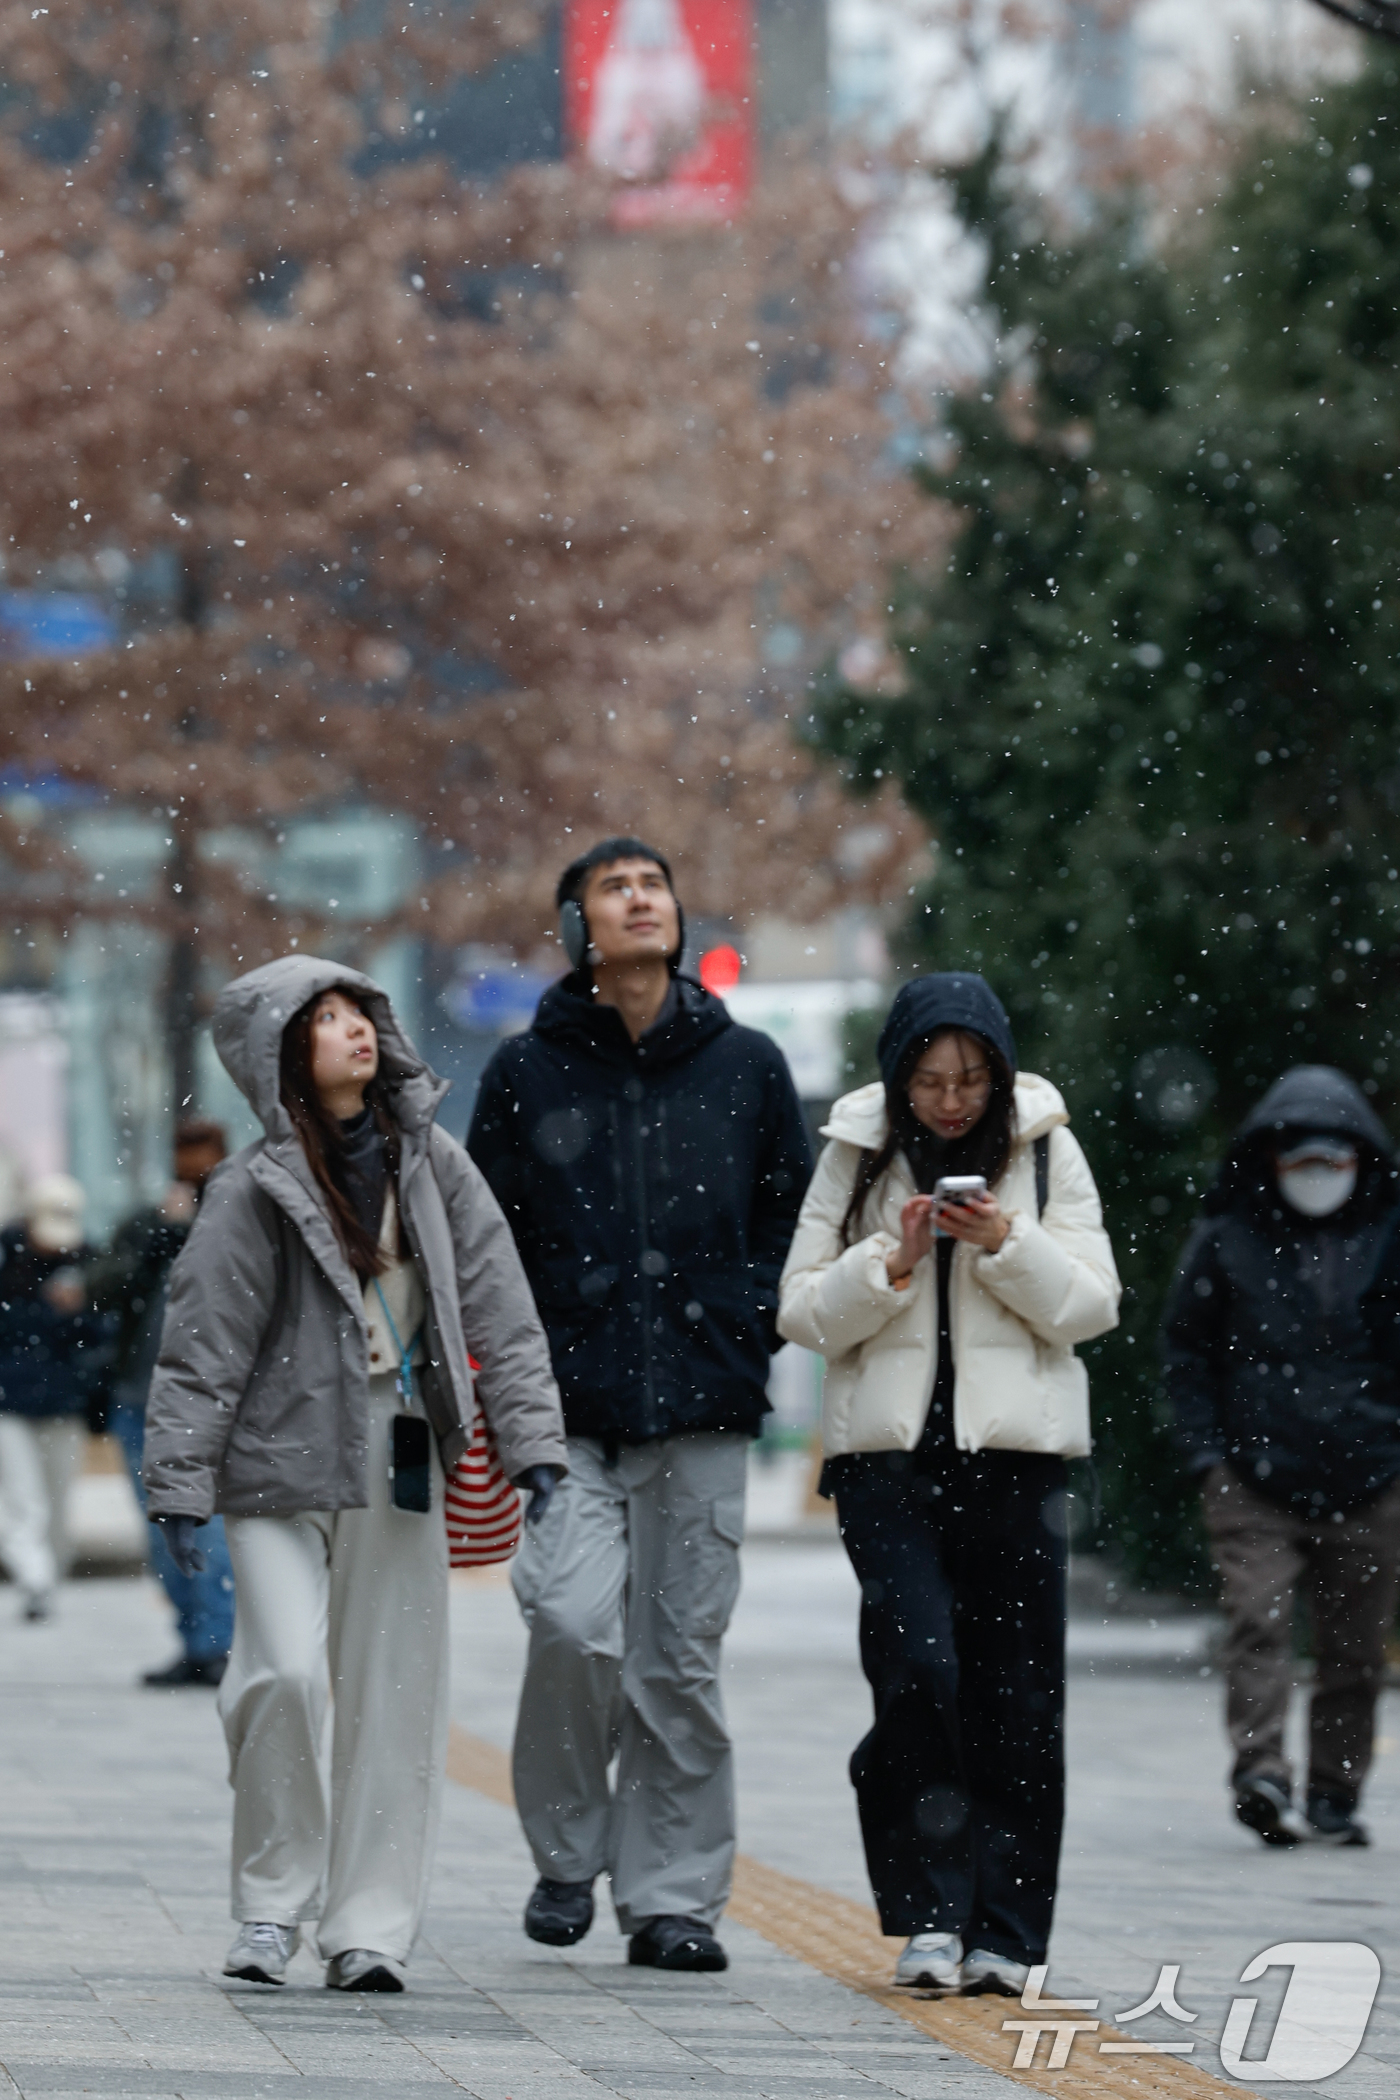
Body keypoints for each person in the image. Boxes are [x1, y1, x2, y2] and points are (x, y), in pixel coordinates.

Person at [143, 956, 567, 1992]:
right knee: (280, 1674)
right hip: (274, 1458)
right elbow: (201, 1350)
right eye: (322, 1019)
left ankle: (368, 1926)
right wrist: (178, 1486)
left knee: (394, 1696)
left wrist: (534, 1446)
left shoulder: (434, 1164)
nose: (352, 1031)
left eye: (357, 1013)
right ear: (281, 1051)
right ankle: (267, 1905)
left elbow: (501, 1310)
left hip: (401, 1443)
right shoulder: (249, 1187)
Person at [468, 836, 811, 1972]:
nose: (639, 900)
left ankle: (670, 1898)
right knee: (569, 1622)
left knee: (679, 1663)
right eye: (613, 889)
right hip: (569, 1407)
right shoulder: (527, 1073)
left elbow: (788, 1220)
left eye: (653, 885)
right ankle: (567, 1856)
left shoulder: (746, 1064)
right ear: (576, 930)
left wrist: (745, 1317)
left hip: (704, 1405)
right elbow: (487, 1242)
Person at [778, 974, 1119, 1997]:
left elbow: (1091, 1305)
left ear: (1000, 1075)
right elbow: (799, 1313)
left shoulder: (1045, 1145)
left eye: (971, 1079)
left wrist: (1005, 1245)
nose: (951, 1101)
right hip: (885, 1466)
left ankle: (1006, 1931)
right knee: (919, 1674)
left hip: (1016, 1464)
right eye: (928, 1080)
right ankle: (927, 1911)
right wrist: (895, 1258)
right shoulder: (855, 1150)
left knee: (1017, 1697)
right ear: (896, 1077)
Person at [1164, 1066, 1400, 1850]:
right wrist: (1209, 1459)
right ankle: (1261, 1773)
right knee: (1258, 1625)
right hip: (1252, 1479)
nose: (1320, 1173)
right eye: (1302, 1158)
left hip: (1370, 1477)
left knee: (1353, 1650)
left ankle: (1334, 1794)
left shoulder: (1391, 1236)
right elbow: (1186, 1352)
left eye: (1336, 1158)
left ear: (1362, 1159)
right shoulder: (1226, 1238)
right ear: (1271, 1160)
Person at [85, 1119, 236, 1686]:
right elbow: (100, 1287)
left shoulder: (240, 1219)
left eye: (205, 1154)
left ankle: (219, 1643)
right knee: (159, 1533)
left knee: (207, 1528)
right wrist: (160, 1240)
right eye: (184, 1154)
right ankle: (195, 1641)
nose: (194, 1165)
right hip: (139, 1397)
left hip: (209, 1402)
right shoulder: (147, 1223)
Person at [0, 1175, 106, 1621]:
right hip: (10, 1399)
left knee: (59, 1500)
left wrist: (77, 1310)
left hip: (64, 1401)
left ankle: (47, 1579)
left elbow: (103, 1335)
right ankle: (35, 1577)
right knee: (22, 1498)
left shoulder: (88, 1260)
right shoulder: (6, 1256)